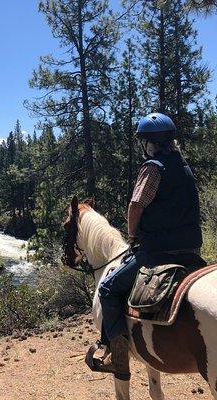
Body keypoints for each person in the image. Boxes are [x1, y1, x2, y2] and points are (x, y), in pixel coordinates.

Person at [91, 112, 203, 380]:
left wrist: (132, 235)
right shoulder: (184, 166)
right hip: (191, 250)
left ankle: (117, 356)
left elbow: (136, 205)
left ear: (146, 143)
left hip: (158, 250)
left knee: (107, 288)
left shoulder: (153, 168)